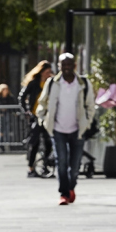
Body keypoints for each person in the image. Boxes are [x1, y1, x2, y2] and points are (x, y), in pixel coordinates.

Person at [37, 52, 94, 205]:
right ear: (59, 66)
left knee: (75, 166)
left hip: (77, 130)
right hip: (58, 130)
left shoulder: (83, 83)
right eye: (64, 65)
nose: (67, 68)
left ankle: (71, 188)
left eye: (70, 64)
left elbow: (90, 106)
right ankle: (63, 193)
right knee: (61, 162)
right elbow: (42, 104)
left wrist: (87, 123)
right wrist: (44, 120)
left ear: (75, 66)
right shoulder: (52, 83)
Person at [20, 60, 53, 178]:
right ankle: (31, 168)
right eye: (46, 72)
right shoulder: (34, 83)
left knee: (48, 141)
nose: (48, 74)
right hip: (36, 116)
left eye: (50, 72)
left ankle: (45, 166)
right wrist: (26, 111)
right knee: (35, 142)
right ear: (41, 72)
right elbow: (22, 97)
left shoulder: (52, 83)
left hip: (48, 116)